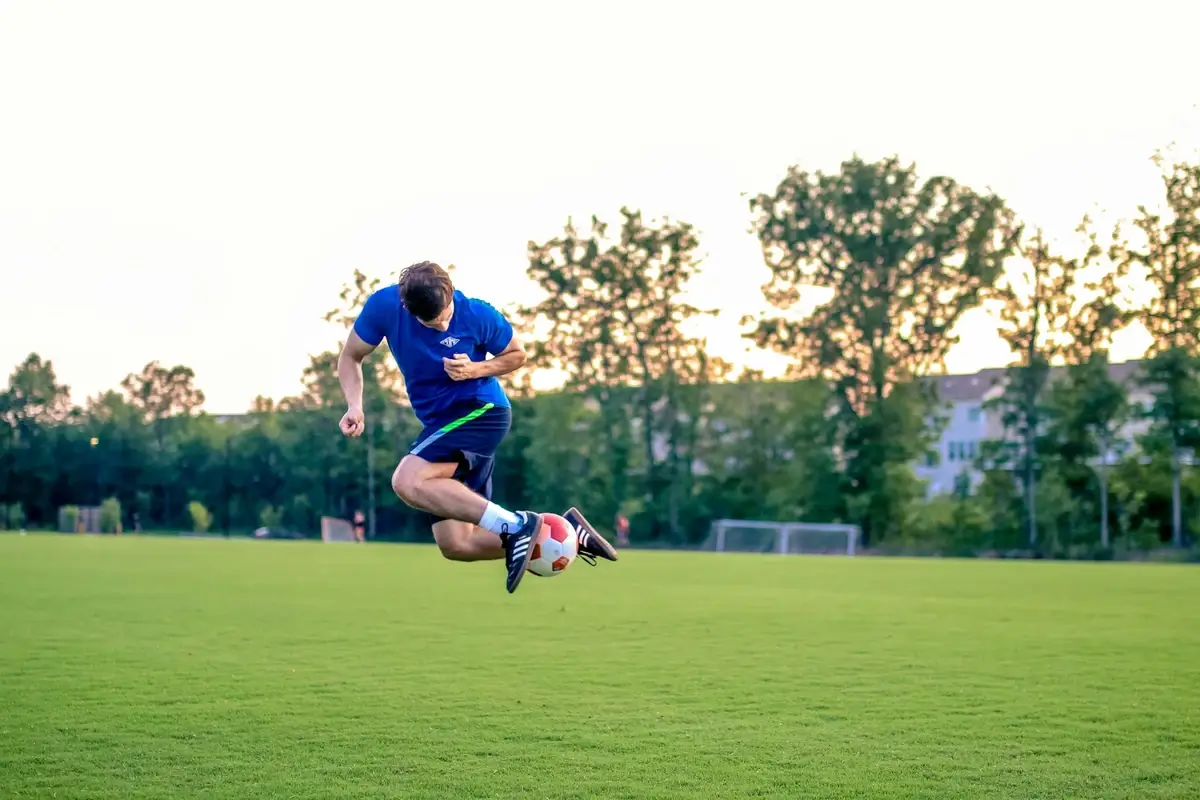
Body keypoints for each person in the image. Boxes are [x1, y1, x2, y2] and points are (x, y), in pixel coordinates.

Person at [337, 262, 617, 594]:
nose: (441, 326)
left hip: (481, 411)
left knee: (406, 481)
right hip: (441, 424)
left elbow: (517, 355)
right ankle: (568, 535)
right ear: (405, 307)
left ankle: (518, 526)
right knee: (457, 544)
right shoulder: (383, 306)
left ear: (451, 292)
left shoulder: (478, 314)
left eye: (445, 315)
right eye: (431, 322)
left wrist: (476, 369)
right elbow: (350, 357)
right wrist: (355, 404)